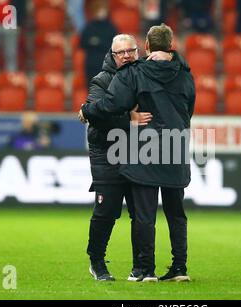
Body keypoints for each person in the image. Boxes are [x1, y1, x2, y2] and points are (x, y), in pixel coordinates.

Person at [80, 24, 195, 282]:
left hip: (141, 154)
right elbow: (99, 118)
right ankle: (97, 262)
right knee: (107, 212)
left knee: (139, 214)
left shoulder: (142, 73)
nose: (126, 56)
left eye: (130, 50)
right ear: (111, 56)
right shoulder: (103, 80)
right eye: (120, 53)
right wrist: (128, 120)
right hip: (109, 152)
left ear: (141, 49)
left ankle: (142, 269)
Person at [0, 0, 27, 77]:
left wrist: (19, 23)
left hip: (10, 22)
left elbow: (21, 5)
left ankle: (10, 79)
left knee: (11, 55)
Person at [80, 1, 118, 87]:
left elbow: (113, 45)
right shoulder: (89, 27)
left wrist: (96, 42)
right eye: (99, 9)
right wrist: (99, 43)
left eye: (103, 9)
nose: (101, 12)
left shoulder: (111, 27)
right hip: (91, 65)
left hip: (106, 65)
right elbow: (83, 43)